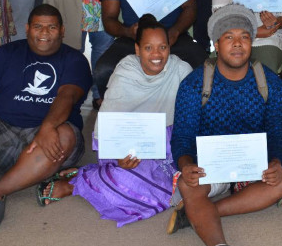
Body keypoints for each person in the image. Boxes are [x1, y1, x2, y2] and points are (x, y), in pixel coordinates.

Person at [169, 3, 282, 246]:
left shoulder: (269, 82)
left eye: (244, 37)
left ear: (252, 42)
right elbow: (182, 137)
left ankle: (200, 214)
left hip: (252, 163)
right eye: (229, 38)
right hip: (211, 163)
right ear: (216, 44)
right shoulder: (195, 83)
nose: (238, 45)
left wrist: (276, 161)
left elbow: (276, 131)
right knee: (187, 183)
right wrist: (187, 163)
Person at [0, 4, 92, 229]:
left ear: (62, 30)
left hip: (45, 144)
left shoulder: (75, 60)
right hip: (0, 132)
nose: (44, 33)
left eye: (51, 27)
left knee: (65, 135)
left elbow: (67, 96)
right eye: (38, 26)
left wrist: (48, 126)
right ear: (27, 28)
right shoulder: (8, 52)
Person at [38, 14, 192, 227]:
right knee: (127, 177)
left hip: (169, 142)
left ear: (169, 47)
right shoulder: (126, 70)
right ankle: (79, 183)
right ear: (137, 49)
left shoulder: (181, 70)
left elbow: (191, 116)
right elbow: (108, 121)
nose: (157, 55)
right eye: (148, 48)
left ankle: (94, 175)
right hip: (127, 144)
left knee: (189, 179)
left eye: (162, 47)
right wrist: (118, 155)